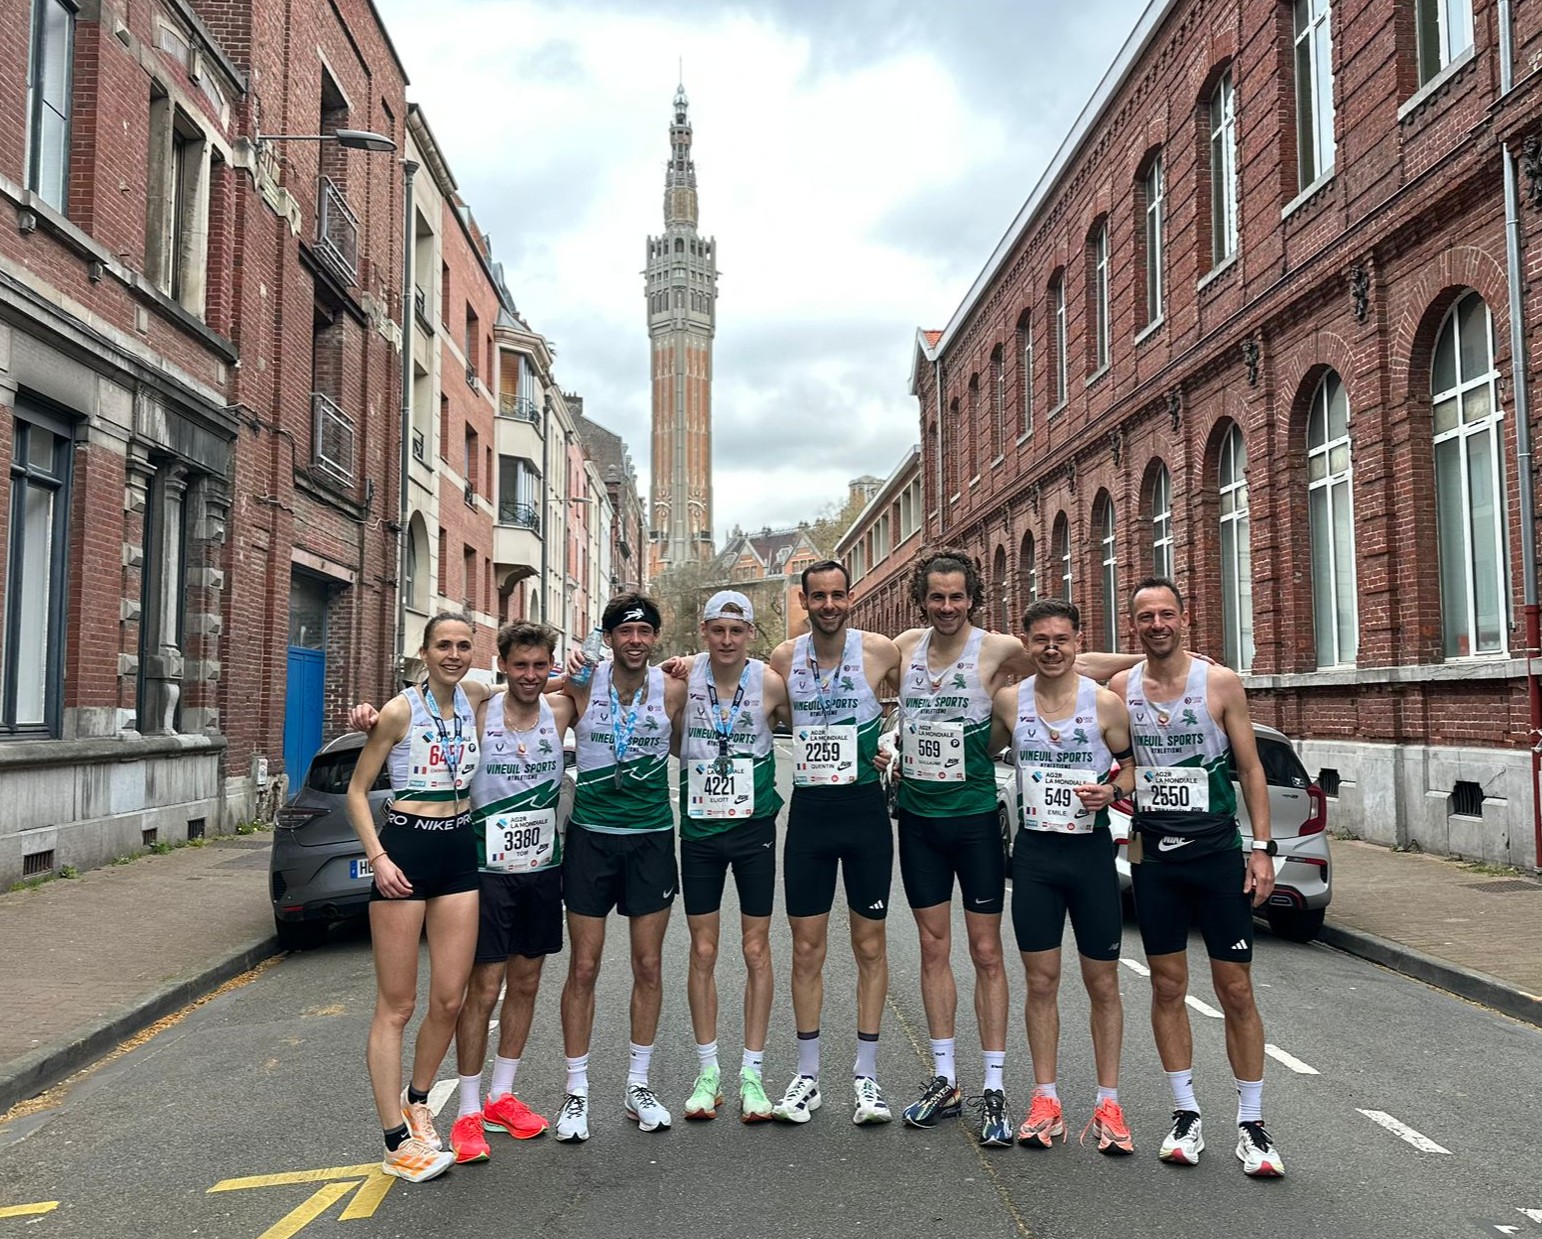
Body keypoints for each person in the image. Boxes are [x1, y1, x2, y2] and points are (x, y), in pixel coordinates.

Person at [1107, 578, 1284, 1178]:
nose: (1157, 624)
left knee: (1236, 990)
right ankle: (1185, 1115)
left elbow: (1252, 768)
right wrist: (1111, 789)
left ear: (1185, 618)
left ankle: (1253, 1124)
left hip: (1215, 855)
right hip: (1154, 857)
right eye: (1145, 617)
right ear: (1134, 626)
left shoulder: (1221, 683)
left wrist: (1261, 850)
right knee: (1165, 986)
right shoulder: (1120, 690)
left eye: (1166, 614)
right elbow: (1125, 768)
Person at [891, 549, 1036, 1147]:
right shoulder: (902, 648)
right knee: (932, 947)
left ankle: (996, 1086)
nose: (947, 607)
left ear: (972, 598)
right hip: (919, 823)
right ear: (921, 601)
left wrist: (1145, 659)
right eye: (936, 597)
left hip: (976, 820)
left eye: (957, 597)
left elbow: (1071, 660)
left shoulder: (997, 648)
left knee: (985, 952)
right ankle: (946, 1078)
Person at [991, 598, 1136, 1155]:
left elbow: (1133, 766)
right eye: (1041, 640)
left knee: (1103, 983)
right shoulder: (1010, 703)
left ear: (1078, 642)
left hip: (1089, 858)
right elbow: (980, 757)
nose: (1052, 649)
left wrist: (1114, 791)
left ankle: (1108, 1103)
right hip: (1034, 861)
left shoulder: (1105, 706)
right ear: (1026, 644)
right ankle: (1045, 1098)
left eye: (1062, 639)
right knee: (1042, 982)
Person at [344, 612, 482, 1184]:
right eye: (443, 645)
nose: (453, 654)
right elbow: (356, 791)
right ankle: (395, 1142)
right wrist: (378, 858)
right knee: (396, 1006)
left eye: (462, 645)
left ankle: (417, 1101)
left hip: (458, 851)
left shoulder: (475, 697)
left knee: (450, 999)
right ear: (423, 653)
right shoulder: (399, 711)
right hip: (404, 853)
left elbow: (533, 683)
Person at [767, 560, 902, 1126]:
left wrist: (895, 743)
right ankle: (808, 1075)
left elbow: (926, 698)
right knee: (806, 948)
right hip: (810, 816)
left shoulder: (881, 652)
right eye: (818, 596)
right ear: (804, 600)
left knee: (870, 947)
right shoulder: (781, 658)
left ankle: (866, 1079)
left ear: (851, 599)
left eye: (837, 595)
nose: (828, 605)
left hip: (865, 813)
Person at [554, 593, 687, 1142]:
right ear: (609, 638)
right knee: (583, 968)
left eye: (645, 632)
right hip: (592, 841)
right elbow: (507, 696)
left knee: (648, 967)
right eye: (625, 632)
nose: (636, 641)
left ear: (655, 638)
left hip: (651, 839)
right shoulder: (582, 684)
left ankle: (638, 1083)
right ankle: (576, 1090)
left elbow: (738, 691)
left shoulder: (675, 686)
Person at [446, 622, 577, 1162]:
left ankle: (502, 1095)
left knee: (526, 982)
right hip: (487, 870)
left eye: (539, 666)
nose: (530, 675)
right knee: (484, 989)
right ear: (503, 665)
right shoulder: (479, 712)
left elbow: (622, 679)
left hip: (544, 868)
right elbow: (449, 688)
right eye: (520, 665)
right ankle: (468, 1110)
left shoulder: (562, 710)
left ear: (550, 668)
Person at [674, 591, 789, 1123]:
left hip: (752, 831)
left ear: (750, 634)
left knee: (756, 949)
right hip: (698, 832)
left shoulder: (769, 682)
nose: (726, 640)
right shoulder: (680, 677)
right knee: (702, 950)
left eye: (736, 631)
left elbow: (816, 724)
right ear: (704, 631)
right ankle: (708, 1071)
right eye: (717, 630)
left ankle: (752, 1073)